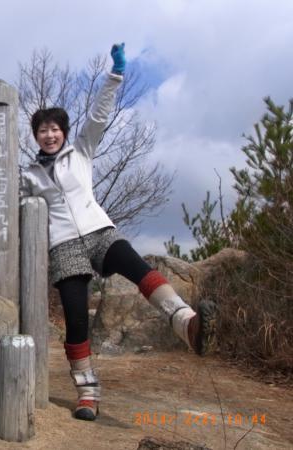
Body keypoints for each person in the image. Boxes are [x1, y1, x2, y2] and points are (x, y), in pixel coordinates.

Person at [19, 43, 216, 421]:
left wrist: (115, 75)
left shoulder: (81, 152)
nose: (49, 135)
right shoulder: (29, 175)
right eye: (43, 130)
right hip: (64, 246)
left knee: (140, 270)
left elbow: (98, 114)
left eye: (55, 128)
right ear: (36, 136)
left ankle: (187, 324)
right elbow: (14, 209)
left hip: (99, 230)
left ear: (64, 132)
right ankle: (87, 393)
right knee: (76, 318)